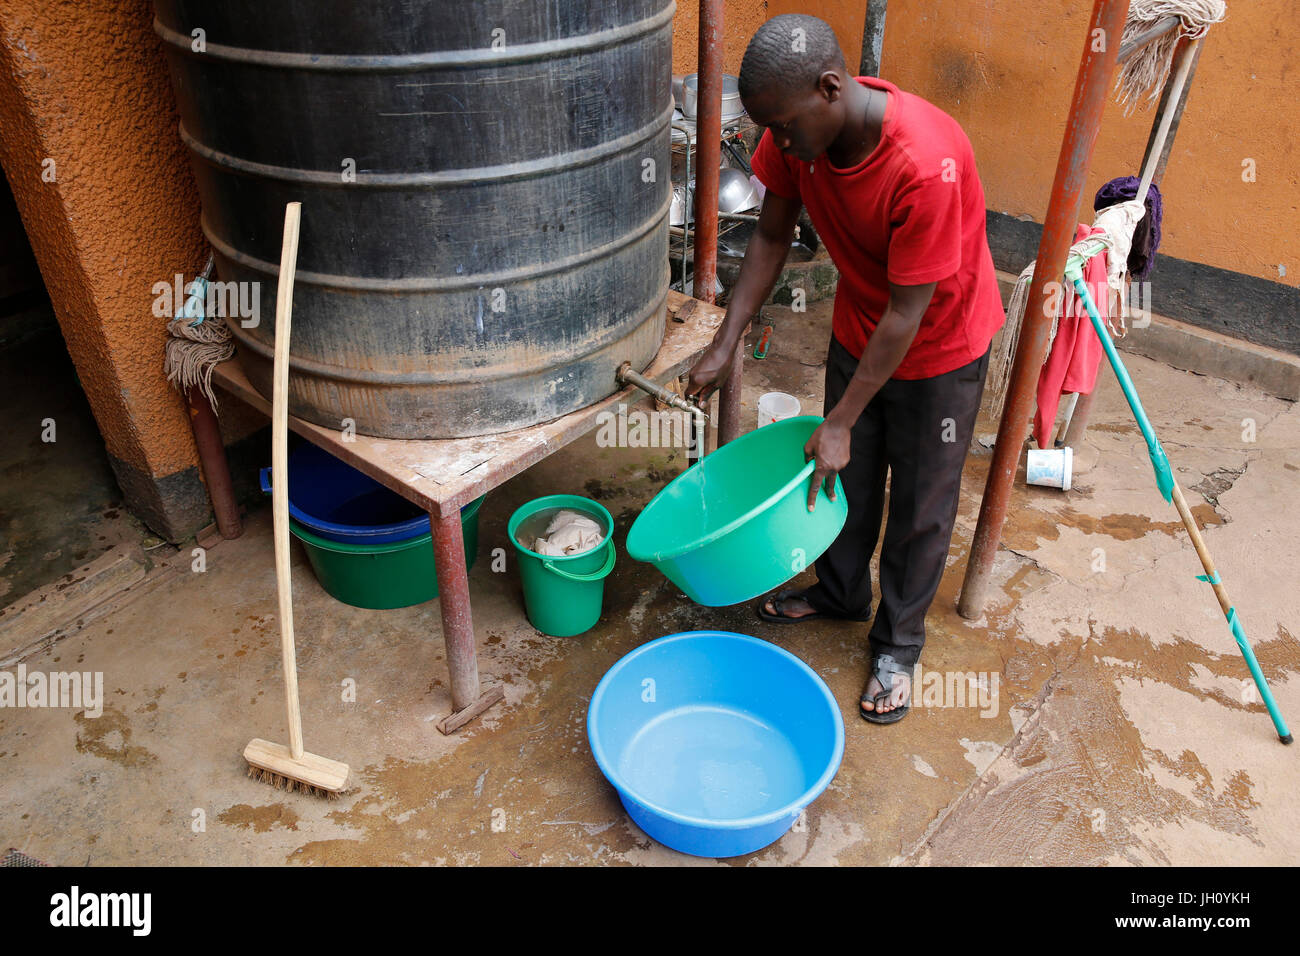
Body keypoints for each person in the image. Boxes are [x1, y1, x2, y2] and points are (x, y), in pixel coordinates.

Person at [686, 14, 1005, 724]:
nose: (778, 143)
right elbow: (771, 233)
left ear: (831, 89)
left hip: (939, 345)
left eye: (784, 128)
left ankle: (898, 643)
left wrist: (841, 418)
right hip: (865, 324)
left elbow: (908, 312)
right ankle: (839, 593)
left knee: (920, 502)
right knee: (842, 476)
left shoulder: (925, 161)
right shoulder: (799, 134)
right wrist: (724, 340)